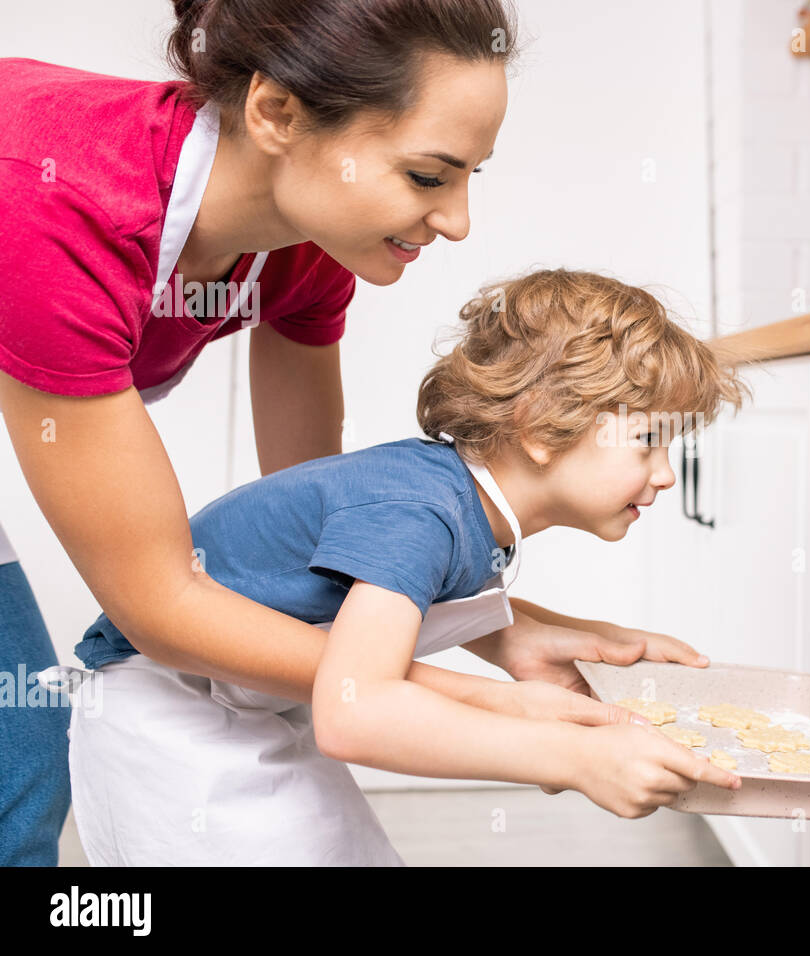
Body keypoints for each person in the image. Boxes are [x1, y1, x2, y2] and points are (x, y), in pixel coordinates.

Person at [0, 0, 692, 867]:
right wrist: (482, 704)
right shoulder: (54, 208)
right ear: (277, 113)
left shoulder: (310, 248)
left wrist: (503, 632)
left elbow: (340, 529)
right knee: (16, 779)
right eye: (431, 177)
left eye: (473, 175)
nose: (458, 221)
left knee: (18, 774)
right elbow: (160, 606)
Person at [62, 268, 752, 865]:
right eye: (647, 443)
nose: (664, 475)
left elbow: (394, 604)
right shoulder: (417, 513)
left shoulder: (457, 501)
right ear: (543, 427)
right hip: (168, 718)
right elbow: (355, 714)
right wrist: (570, 758)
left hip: (250, 702)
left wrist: (529, 633)